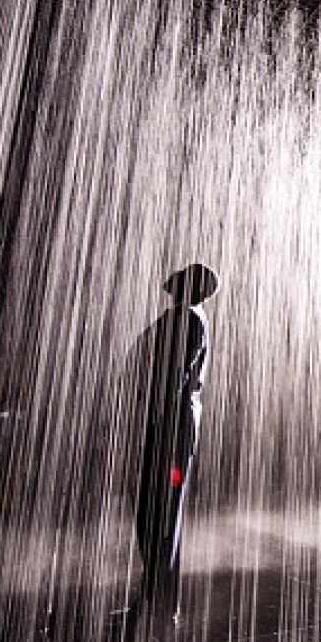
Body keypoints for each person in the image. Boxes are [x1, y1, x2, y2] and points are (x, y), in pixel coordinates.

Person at [133, 262, 218, 619]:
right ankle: (159, 592)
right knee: (157, 509)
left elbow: (174, 375)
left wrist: (157, 417)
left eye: (183, 280)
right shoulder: (183, 318)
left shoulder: (187, 319)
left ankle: (161, 597)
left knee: (161, 509)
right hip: (170, 424)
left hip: (171, 428)